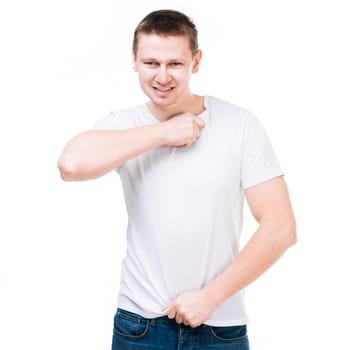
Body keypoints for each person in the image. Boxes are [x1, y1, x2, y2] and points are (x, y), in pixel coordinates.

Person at [57, 9, 296, 350]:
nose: (162, 76)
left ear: (195, 62)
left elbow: (281, 227)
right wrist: (162, 133)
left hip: (220, 326)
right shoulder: (124, 124)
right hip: (139, 325)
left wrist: (210, 297)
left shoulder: (239, 124)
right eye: (151, 63)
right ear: (135, 61)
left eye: (175, 64)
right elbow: (70, 164)